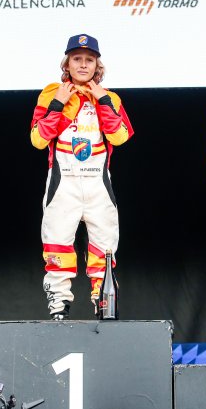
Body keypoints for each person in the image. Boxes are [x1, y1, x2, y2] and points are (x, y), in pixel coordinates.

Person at [30, 34, 134, 319]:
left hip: (97, 184)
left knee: (105, 246)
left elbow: (120, 136)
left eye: (90, 59)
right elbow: (38, 139)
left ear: (98, 65)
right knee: (57, 243)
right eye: (77, 59)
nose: (83, 65)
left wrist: (102, 101)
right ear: (67, 63)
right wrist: (59, 104)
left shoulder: (110, 97)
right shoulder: (51, 94)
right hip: (63, 184)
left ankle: (103, 304)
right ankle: (58, 306)